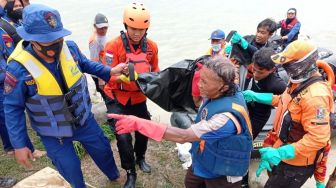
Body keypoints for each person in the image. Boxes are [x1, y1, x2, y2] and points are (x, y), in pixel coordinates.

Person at [4, 4, 125, 187]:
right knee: (69, 170)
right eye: (46, 40)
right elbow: (13, 108)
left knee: (102, 149)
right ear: (31, 40)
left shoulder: (70, 48)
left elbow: (86, 64)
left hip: (84, 120)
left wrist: (109, 71)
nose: (54, 44)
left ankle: (114, 175)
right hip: (54, 133)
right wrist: (19, 144)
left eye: (57, 38)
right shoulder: (18, 69)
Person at [109, 57, 253, 188]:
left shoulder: (225, 119)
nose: (199, 85)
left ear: (224, 87)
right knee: (190, 183)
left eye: (204, 82)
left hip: (223, 171)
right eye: (200, 79)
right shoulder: (222, 87)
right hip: (203, 157)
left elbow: (184, 136)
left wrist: (139, 124)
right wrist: (140, 77)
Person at [243, 40, 333, 188]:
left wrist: (281, 153)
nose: (284, 67)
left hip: (296, 165)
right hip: (282, 149)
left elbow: (318, 139)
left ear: (303, 64)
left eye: (288, 64)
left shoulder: (316, 96)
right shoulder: (296, 83)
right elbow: (284, 101)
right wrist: (255, 96)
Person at [103, 2, 159, 188]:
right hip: (117, 96)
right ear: (126, 26)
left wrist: (155, 83)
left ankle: (140, 157)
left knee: (144, 129)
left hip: (139, 97)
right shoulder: (113, 46)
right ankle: (130, 172)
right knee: (123, 135)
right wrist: (124, 79)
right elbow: (106, 76)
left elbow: (156, 70)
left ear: (146, 28)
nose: (137, 33)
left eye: (141, 29)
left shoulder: (152, 47)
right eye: (133, 28)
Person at [0, 0, 45, 157]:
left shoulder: (7, 21)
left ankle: (11, 147)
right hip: (7, 76)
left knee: (6, 114)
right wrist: (13, 73)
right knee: (9, 112)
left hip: (8, 74)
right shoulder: (4, 23)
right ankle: (25, 148)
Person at [89, 13, 109, 100]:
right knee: (108, 97)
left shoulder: (102, 36)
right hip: (99, 74)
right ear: (95, 26)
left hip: (105, 70)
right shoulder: (95, 41)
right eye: (101, 28)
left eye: (105, 27)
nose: (103, 30)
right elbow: (94, 62)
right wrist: (101, 80)